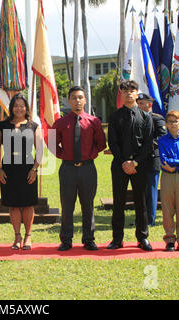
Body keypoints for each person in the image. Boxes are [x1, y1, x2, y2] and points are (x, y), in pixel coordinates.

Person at [52, 86, 106, 251]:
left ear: (85, 100)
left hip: (87, 169)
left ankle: (89, 239)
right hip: (67, 169)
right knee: (67, 205)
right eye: (74, 98)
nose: (77, 101)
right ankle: (66, 240)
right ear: (69, 100)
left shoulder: (93, 121)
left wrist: (90, 155)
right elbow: (52, 144)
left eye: (80, 97)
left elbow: (101, 143)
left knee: (87, 205)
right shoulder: (60, 122)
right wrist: (64, 155)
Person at [107, 80, 154, 251]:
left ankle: (142, 238)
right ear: (121, 93)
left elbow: (148, 143)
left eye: (132, 90)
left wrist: (135, 162)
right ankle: (117, 239)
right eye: (125, 90)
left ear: (137, 93)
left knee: (141, 202)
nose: (128, 93)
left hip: (139, 166)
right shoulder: (115, 116)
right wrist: (124, 162)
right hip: (119, 165)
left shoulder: (146, 117)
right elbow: (112, 142)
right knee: (118, 203)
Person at [0, 93, 42, 250]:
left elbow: (40, 151)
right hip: (8, 170)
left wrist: (34, 169)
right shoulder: (2, 126)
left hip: (28, 169)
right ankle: (17, 236)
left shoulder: (33, 126)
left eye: (22, 105)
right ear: (11, 108)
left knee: (28, 204)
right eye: (16, 105)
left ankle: (28, 236)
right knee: (13, 205)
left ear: (26, 108)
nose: (19, 108)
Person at [158, 110, 179, 252]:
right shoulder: (162, 140)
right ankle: (170, 239)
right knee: (167, 209)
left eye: (175, 121)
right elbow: (165, 160)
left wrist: (177, 163)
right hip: (167, 177)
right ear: (166, 124)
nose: (172, 124)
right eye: (170, 121)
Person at [136, 93, 167, 226]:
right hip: (138, 160)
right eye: (139, 103)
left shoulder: (157, 119)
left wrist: (146, 146)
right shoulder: (135, 118)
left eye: (143, 103)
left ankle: (149, 220)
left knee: (151, 190)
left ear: (150, 104)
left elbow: (162, 138)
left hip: (152, 159)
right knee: (140, 191)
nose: (140, 106)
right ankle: (140, 219)